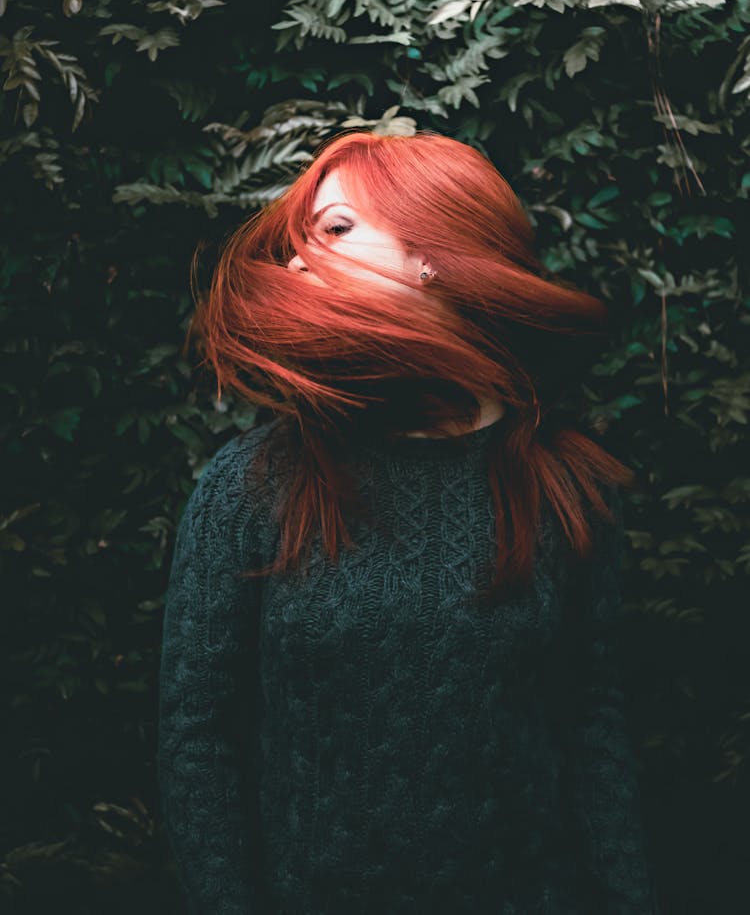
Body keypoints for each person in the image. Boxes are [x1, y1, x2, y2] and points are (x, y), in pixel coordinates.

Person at [158, 130, 660, 914]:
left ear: (433, 249)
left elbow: (591, 724)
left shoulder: (565, 483)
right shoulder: (251, 486)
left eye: (334, 230)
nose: (295, 264)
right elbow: (199, 741)